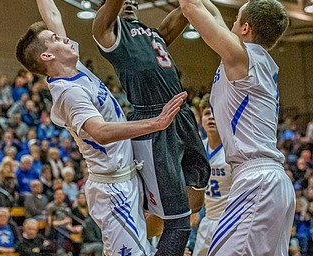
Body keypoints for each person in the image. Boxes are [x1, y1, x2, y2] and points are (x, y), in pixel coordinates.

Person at [16, 0, 187, 254]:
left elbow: (52, 13)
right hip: (113, 189)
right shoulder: (69, 92)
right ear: (47, 56)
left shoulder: (73, 68)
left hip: (127, 176)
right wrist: (156, 123)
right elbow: (101, 132)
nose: (65, 39)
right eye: (55, 38)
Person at [92, 0, 210, 254]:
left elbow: (186, 8)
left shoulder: (152, 33)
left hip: (181, 114)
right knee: (179, 224)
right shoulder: (108, 32)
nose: (131, 2)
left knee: (197, 191)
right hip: (153, 121)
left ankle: (142, 236)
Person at [178, 0, 295, 255]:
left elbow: (191, 8)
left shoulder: (242, 57)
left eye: (235, 20)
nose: (227, 25)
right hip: (267, 180)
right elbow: (213, 13)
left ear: (244, 28)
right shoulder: (251, 60)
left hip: (257, 181)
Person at [192, 94, 232, 256]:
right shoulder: (199, 149)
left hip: (229, 220)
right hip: (208, 218)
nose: (211, 118)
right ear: (202, 119)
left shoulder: (232, 151)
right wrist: (193, 211)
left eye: (215, 113)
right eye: (207, 113)